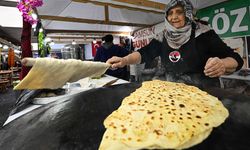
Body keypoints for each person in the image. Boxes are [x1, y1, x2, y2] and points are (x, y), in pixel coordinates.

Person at [107, 0, 243, 88]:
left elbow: (236, 59)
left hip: (204, 94)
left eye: (179, 12)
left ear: (188, 14)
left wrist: (222, 64)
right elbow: (143, 53)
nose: (174, 17)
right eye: (170, 13)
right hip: (173, 96)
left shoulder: (204, 34)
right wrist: (124, 60)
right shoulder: (163, 36)